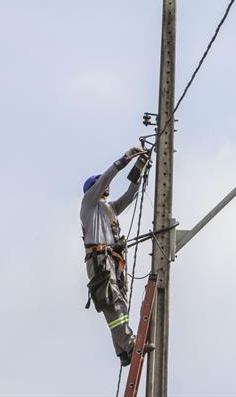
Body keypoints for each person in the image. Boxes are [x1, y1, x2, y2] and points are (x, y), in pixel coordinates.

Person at [80, 146, 149, 366]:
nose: (107, 186)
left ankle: (123, 351)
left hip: (112, 259)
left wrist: (139, 167)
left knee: (120, 303)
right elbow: (107, 177)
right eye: (102, 184)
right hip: (99, 259)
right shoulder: (89, 204)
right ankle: (129, 344)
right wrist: (125, 159)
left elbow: (129, 196)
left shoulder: (109, 209)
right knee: (114, 302)